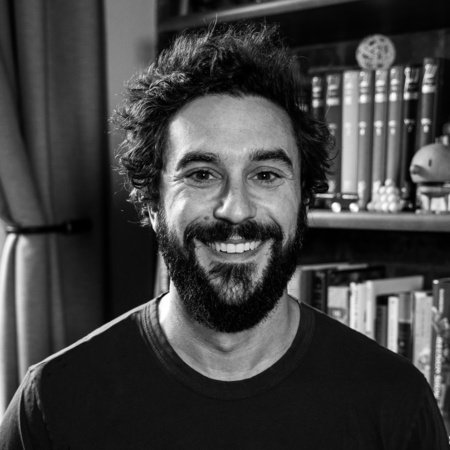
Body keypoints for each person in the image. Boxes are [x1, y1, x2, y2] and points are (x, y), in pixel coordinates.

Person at [0, 22, 449, 450]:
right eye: (201, 174)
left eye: (266, 174)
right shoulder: (53, 404)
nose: (235, 208)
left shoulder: (396, 402)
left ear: (304, 199)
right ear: (152, 203)